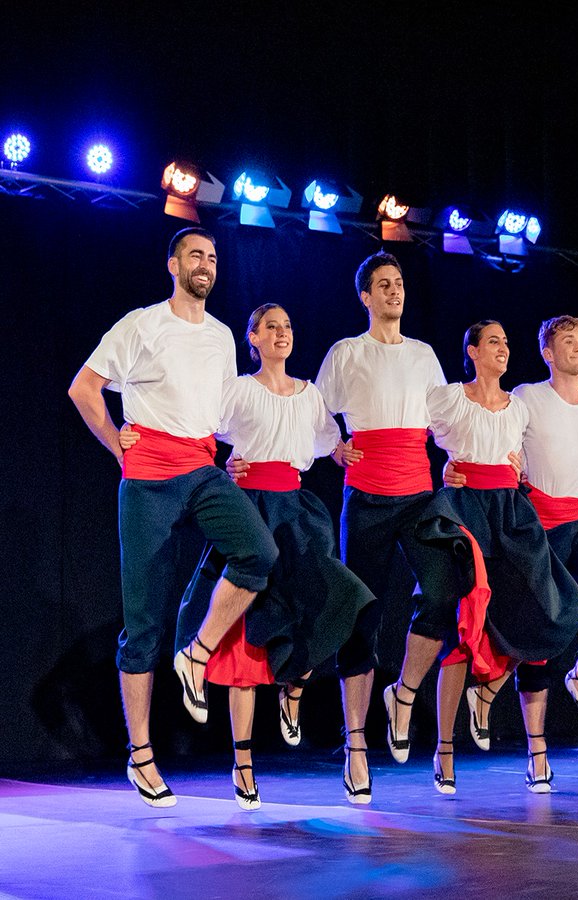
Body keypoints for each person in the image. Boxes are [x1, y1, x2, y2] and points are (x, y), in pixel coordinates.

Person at [67, 228, 278, 807]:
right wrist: (116, 444)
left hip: (203, 468)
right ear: (172, 265)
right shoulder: (142, 323)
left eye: (212, 257)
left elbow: (214, 408)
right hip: (149, 476)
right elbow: (84, 388)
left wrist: (237, 449)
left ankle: (199, 652)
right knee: (143, 623)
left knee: (260, 552)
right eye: (195, 256)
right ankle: (141, 756)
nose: (205, 264)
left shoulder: (221, 336)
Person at [155, 303, 374, 808]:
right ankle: (244, 765)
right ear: (252, 338)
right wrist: (221, 462)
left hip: (296, 511)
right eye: (270, 327)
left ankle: (294, 690)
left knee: (331, 601)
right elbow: (201, 428)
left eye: (288, 326)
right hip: (250, 507)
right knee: (245, 646)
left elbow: (331, 444)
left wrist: (352, 453)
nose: (281, 333)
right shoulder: (237, 389)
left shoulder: (310, 395)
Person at [409, 321, 578, 794]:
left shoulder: (519, 410)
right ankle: (445, 749)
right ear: (471, 350)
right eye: (494, 341)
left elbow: (529, 457)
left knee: (542, 613)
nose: (504, 349)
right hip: (468, 513)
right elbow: (413, 436)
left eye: (508, 342)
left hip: (511, 514)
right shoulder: (448, 398)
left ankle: (517, 729)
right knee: (464, 626)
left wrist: (521, 469)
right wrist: (442, 467)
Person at [445, 317, 578, 747]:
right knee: (537, 634)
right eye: (568, 341)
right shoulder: (527, 397)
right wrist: (454, 464)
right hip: (538, 527)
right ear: (548, 353)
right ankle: (529, 743)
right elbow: (494, 435)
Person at [315, 252, 447, 804]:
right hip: (366, 495)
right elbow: (313, 410)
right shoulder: (347, 353)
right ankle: (356, 747)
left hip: (419, 492)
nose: (394, 291)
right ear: (365, 296)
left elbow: (444, 419)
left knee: (443, 593)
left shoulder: (423, 355)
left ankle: (406, 691)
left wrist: (463, 456)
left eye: (399, 283)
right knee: (362, 616)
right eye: (383, 285)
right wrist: (332, 446)